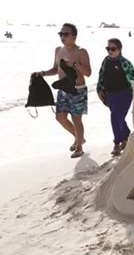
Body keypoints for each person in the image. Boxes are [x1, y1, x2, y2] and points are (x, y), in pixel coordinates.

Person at [33, 23, 91, 158]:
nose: (62, 37)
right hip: (63, 90)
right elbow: (55, 69)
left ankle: (79, 147)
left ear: (74, 36)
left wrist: (75, 65)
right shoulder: (58, 50)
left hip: (78, 90)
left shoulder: (81, 51)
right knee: (60, 117)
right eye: (61, 34)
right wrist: (42, 73)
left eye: (65, 34)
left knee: (76, 120)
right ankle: (79, 138)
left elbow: (88, 73)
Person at [97, 38, 134, 156]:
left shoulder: (125, 63)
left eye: (113, 49)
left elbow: (133, 81)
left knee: (116, 117)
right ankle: (126, 136)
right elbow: (101, 76)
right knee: (117, 117)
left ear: (119, 49)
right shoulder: (106, 61)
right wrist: (99, 90)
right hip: (110, 95)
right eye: (108, 48)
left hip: (125, 95)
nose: (110, 51)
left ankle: (117, 143)